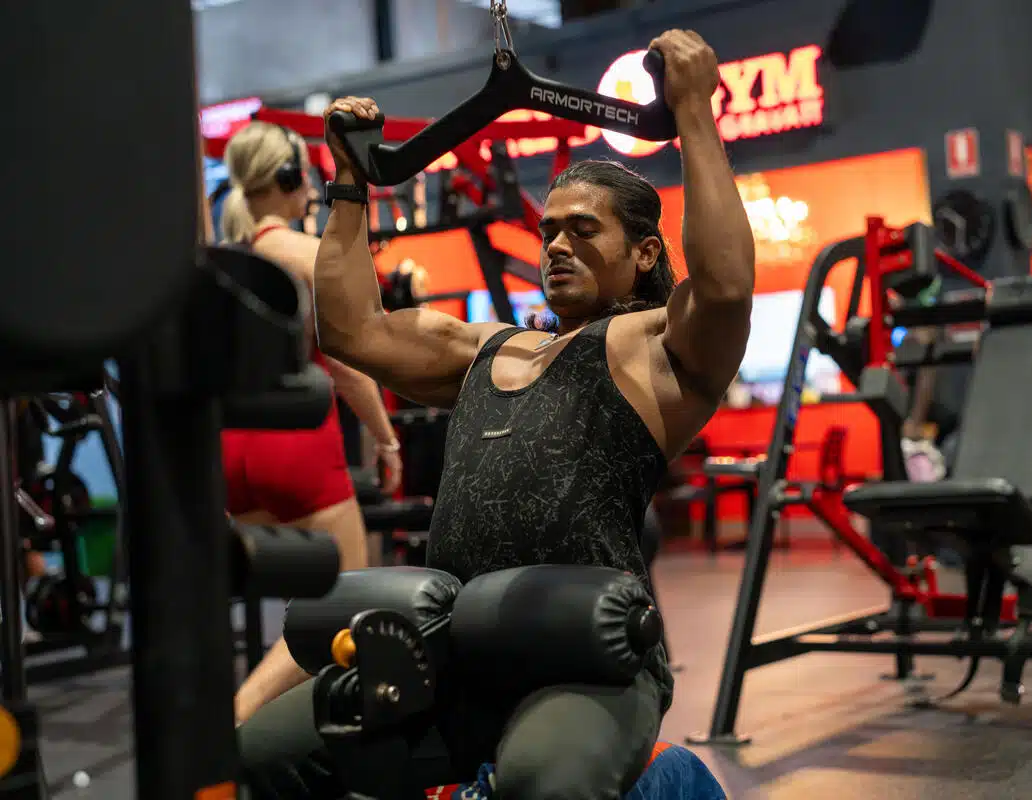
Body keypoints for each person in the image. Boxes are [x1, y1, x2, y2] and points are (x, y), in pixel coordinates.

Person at [238, 29, 755, 799]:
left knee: (541, 782)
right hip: (448, 653)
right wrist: (350, 182)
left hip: (584, 663)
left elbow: (723, 289)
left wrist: (693, 112)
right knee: (262, 753)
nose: (556, 245)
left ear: (644, 254)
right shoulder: (485, 347)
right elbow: (352, 330)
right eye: (549, 231)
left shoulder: (659, 351)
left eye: (584, 230)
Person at [215, 121, 404, 726]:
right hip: (298, 448)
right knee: (345, 603)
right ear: (292, 179)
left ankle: (290, 731)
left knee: (285, 602)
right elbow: (349, 367)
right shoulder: (303, 255)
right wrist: (385, 436)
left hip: (230, 457)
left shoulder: (220, 262)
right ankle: (239, 712)